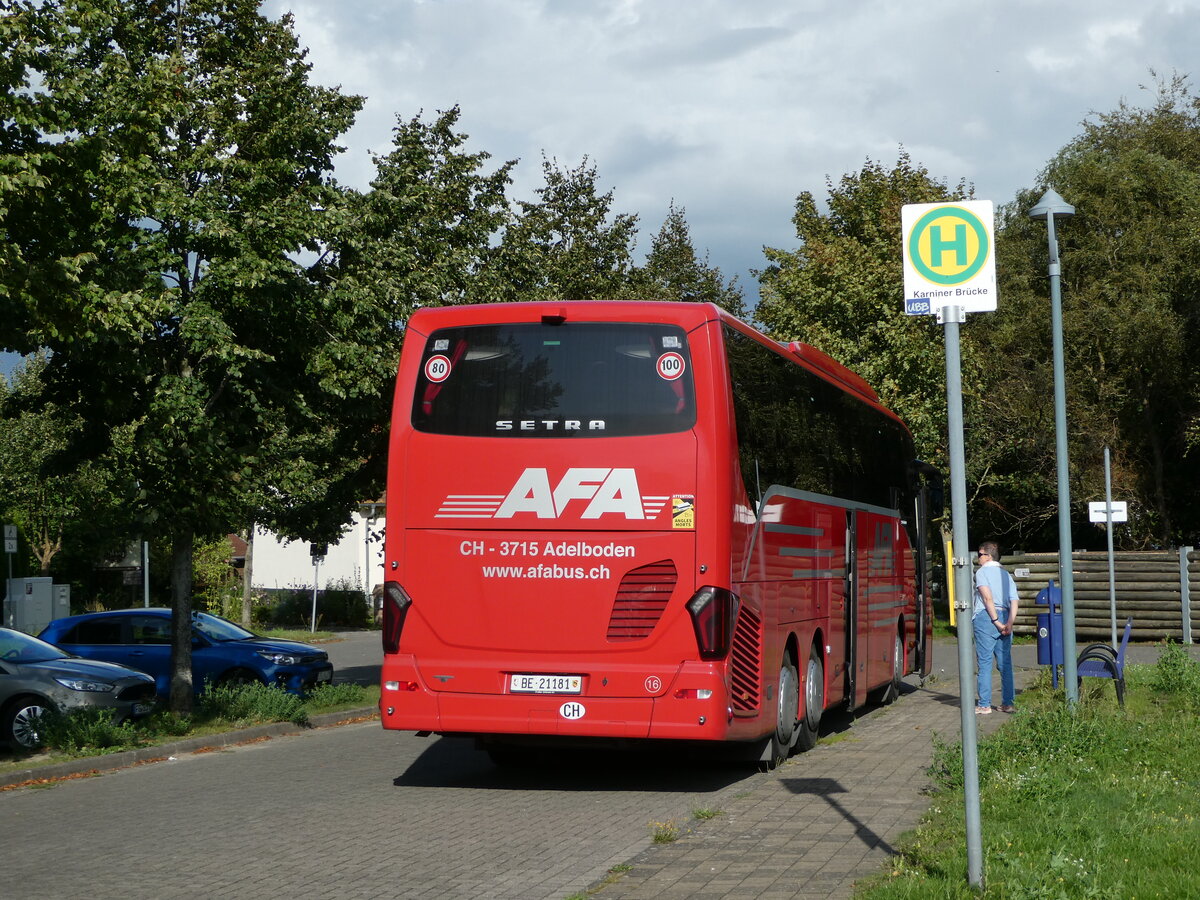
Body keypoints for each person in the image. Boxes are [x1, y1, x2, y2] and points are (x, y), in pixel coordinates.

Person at [973, 541, 1019, 714]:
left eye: (980, 554)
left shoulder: (982, 573)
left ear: (988, 556)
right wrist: (1009, 622)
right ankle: (1008, 703)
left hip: (987, 618)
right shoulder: (1006, 575)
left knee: (984, 663)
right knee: (1005, 663)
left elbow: (987, 598)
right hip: (1006, 615)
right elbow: (1014, 600)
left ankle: (984, 704)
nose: (977, 558)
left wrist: (996, 621)